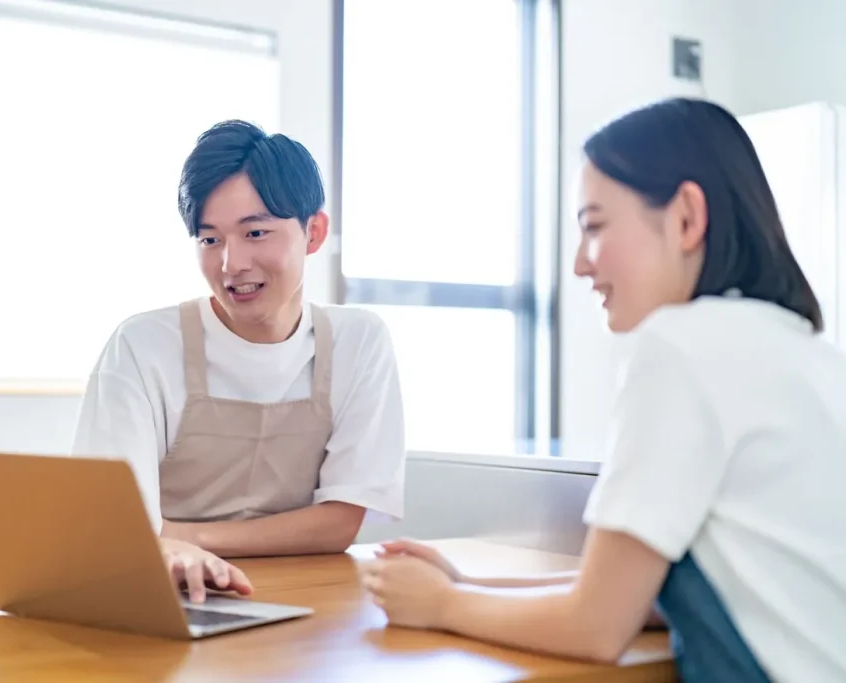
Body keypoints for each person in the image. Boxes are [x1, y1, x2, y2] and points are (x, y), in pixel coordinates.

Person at [361, 97, 846, 682]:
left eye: (594, 227)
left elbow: (596, 626)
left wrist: (442, 606)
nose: (579, 265)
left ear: (687, 218)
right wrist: (466, 580)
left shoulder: (679, 346)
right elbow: (639, 595)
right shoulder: (805, 351)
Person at [73, 119, 406, 602]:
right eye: (210, 240)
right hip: (168, 596)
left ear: (314, 232)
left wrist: (184, 536)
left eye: (255, 232)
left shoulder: (360, 342)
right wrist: (162, 544)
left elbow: (339, 522)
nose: (232, 264)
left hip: (308, 601)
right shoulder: (142, 346)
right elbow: (118, 528)